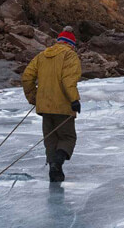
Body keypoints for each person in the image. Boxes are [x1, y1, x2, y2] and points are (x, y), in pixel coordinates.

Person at [22, 26, 82, 182]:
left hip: (45, 106)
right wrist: (74, 100)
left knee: (50, 140)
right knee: (68, 137)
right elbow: (68, 80)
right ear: (71, 44)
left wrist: (33, 97)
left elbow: (27, 77)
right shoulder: (70, 55)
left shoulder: (42, 56)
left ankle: (54, 171)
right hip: (63, 106)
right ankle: (57, 163)